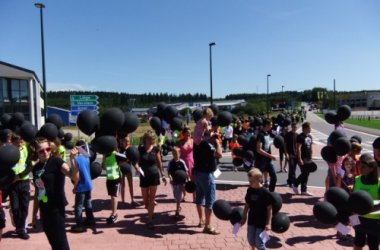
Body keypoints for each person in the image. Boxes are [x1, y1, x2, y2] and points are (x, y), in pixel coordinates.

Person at [30, 137, 78, 250]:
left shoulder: (57, 161)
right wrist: (34, 215)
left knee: (62, 244)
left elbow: (73, 175)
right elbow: (39, 192)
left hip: (56, 209)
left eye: (47, 149)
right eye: (41, 151)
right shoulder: (36, 168)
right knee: (53, 243)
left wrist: (72, 160)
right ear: (36, 151)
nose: (45, 152)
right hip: (44, 210)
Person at [193, 129, 222, 235]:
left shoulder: (196, 142)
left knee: (200, 197)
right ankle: (207, 226)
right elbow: (219, 154)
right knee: (210, 199)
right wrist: (217, 142)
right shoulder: (207, 144)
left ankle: (201, 220)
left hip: (198, 173)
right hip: (207, 174)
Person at [136, 130, 167, 229]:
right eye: (150, 139)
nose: (152, 141)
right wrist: (137, 167)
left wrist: (163, 175)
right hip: (144, 176)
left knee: (152, 198)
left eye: (153, 139)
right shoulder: (140, 149)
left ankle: (150, 220)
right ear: (145, 139)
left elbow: (159, 162)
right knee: (145, 199)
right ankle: (149, 210)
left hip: (154, 175)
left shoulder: (156, 149)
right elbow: (136, 161)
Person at [240, 168, 273, 250]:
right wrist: (244, 217)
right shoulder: (250, 190)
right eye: (249, 181)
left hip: (261, 221)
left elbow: (269, 209)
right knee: (250, 239)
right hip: (252, 219)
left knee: (259, 243)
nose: (250, 183)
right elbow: (247, 204)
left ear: (260, 179)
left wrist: (268, 223)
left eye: (252, 181)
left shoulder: (265, 192)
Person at [352, 153, 380, 250]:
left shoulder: (378, 183)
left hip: (375, 220)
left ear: (371, 168)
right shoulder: (357, 179)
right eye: (360, 166)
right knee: (358, 243)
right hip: (358, 218)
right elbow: (353, 199)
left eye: (363, 167)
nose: (360, 169)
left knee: (373, 245)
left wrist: (368, 210)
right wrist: (352, 217)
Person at [8, 134, 30, 239]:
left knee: (24, 207)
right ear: (12, 142)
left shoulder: (25, 149)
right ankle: (18, 224)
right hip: (13, 184)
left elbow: (30, 165)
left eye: (22, 142)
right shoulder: (9, 151)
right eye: (18, 143)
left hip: (24, 181)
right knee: (16, 208)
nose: (20, 144)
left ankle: (21, 229)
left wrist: (20, 176)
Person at [70, 140, 95, 232]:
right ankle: (90, 220)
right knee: (88, 203)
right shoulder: (87, 157)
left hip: (81, 186)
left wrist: (74, 187)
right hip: (88, 184)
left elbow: (76, 176)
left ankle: (79, 224)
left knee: (78, 206)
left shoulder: (76, 160)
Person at [255, 119, 277, 192]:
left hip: (268, 160)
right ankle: (258, 194)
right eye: (270, 124)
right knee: (259, 179)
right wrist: (270, 156)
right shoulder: (260, 135)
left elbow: (267, 146)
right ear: (266, 125)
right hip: (261, 161)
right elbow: (259, 149)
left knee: (274, 177)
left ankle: (271, 192)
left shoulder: (267, 134)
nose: (271, 126)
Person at [117, 135, 140, 207]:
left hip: (128, 169)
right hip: (121, 169)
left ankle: (132, 200)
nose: (127, 143)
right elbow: (118, 160)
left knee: (131, 185)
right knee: (122, 185)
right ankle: (123, 201)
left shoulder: (130, 149)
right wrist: (125, 160)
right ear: (122, 142)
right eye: (126, 141)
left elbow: (134, 160)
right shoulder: (119, 149)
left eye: (128, 141)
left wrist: (137, 168)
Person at [292, 122, 313, 196]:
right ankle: (295, 184)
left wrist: (311, 156)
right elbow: (298, 148)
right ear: (305, 128)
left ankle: (303, 190)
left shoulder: (310, 136)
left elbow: (310, 147)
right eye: (309, 128)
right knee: (304, 173)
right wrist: (300, 159)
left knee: (307, 173)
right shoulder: (300, 137)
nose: (310, 129)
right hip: (302, 158)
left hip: (308, 158)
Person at [167, 146, 189, 219]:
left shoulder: (182, 162)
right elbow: (169, 172)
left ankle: (177, 211)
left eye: (176, 154)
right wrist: (170, 177)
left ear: (179, 154)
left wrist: (187, 179)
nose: (175, 155)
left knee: (178, 196)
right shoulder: (171, 162)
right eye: (173, 154)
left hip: (181, 181)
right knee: (176, 195)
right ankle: (178, 203)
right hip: (174, 181)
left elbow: (186, 171)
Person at [101, 148, 121, 224]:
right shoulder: (106, 155)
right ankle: (113, 213)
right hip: (109, 178)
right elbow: (103, 167)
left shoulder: (115, 154)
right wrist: (103, 158)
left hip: (116, 178)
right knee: (112, 196)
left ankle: (114, 214)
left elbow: (124, 161)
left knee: (114, 196)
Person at [177, 127, 194, 202]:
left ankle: (194, 196)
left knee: (193, 180)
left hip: (191, 162)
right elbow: (177, 153)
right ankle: (184, 195)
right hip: (182, 163)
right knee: (183, 181)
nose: (189, 134)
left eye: (190, 132)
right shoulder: (180, 142)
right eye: (187, 132)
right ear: (183, 134)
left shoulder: (193, 141)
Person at [284, 122, 298, 188]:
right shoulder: (288, 135)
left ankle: (289, 181)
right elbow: (285, 145)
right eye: (294, 127)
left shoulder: (297, 135)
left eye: (296, 127)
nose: (295, 128)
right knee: (292, 168)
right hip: (290, 154)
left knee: (293, 169)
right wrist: (286, 153)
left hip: (296, 154)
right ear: (292, 127)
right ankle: (294, 182)